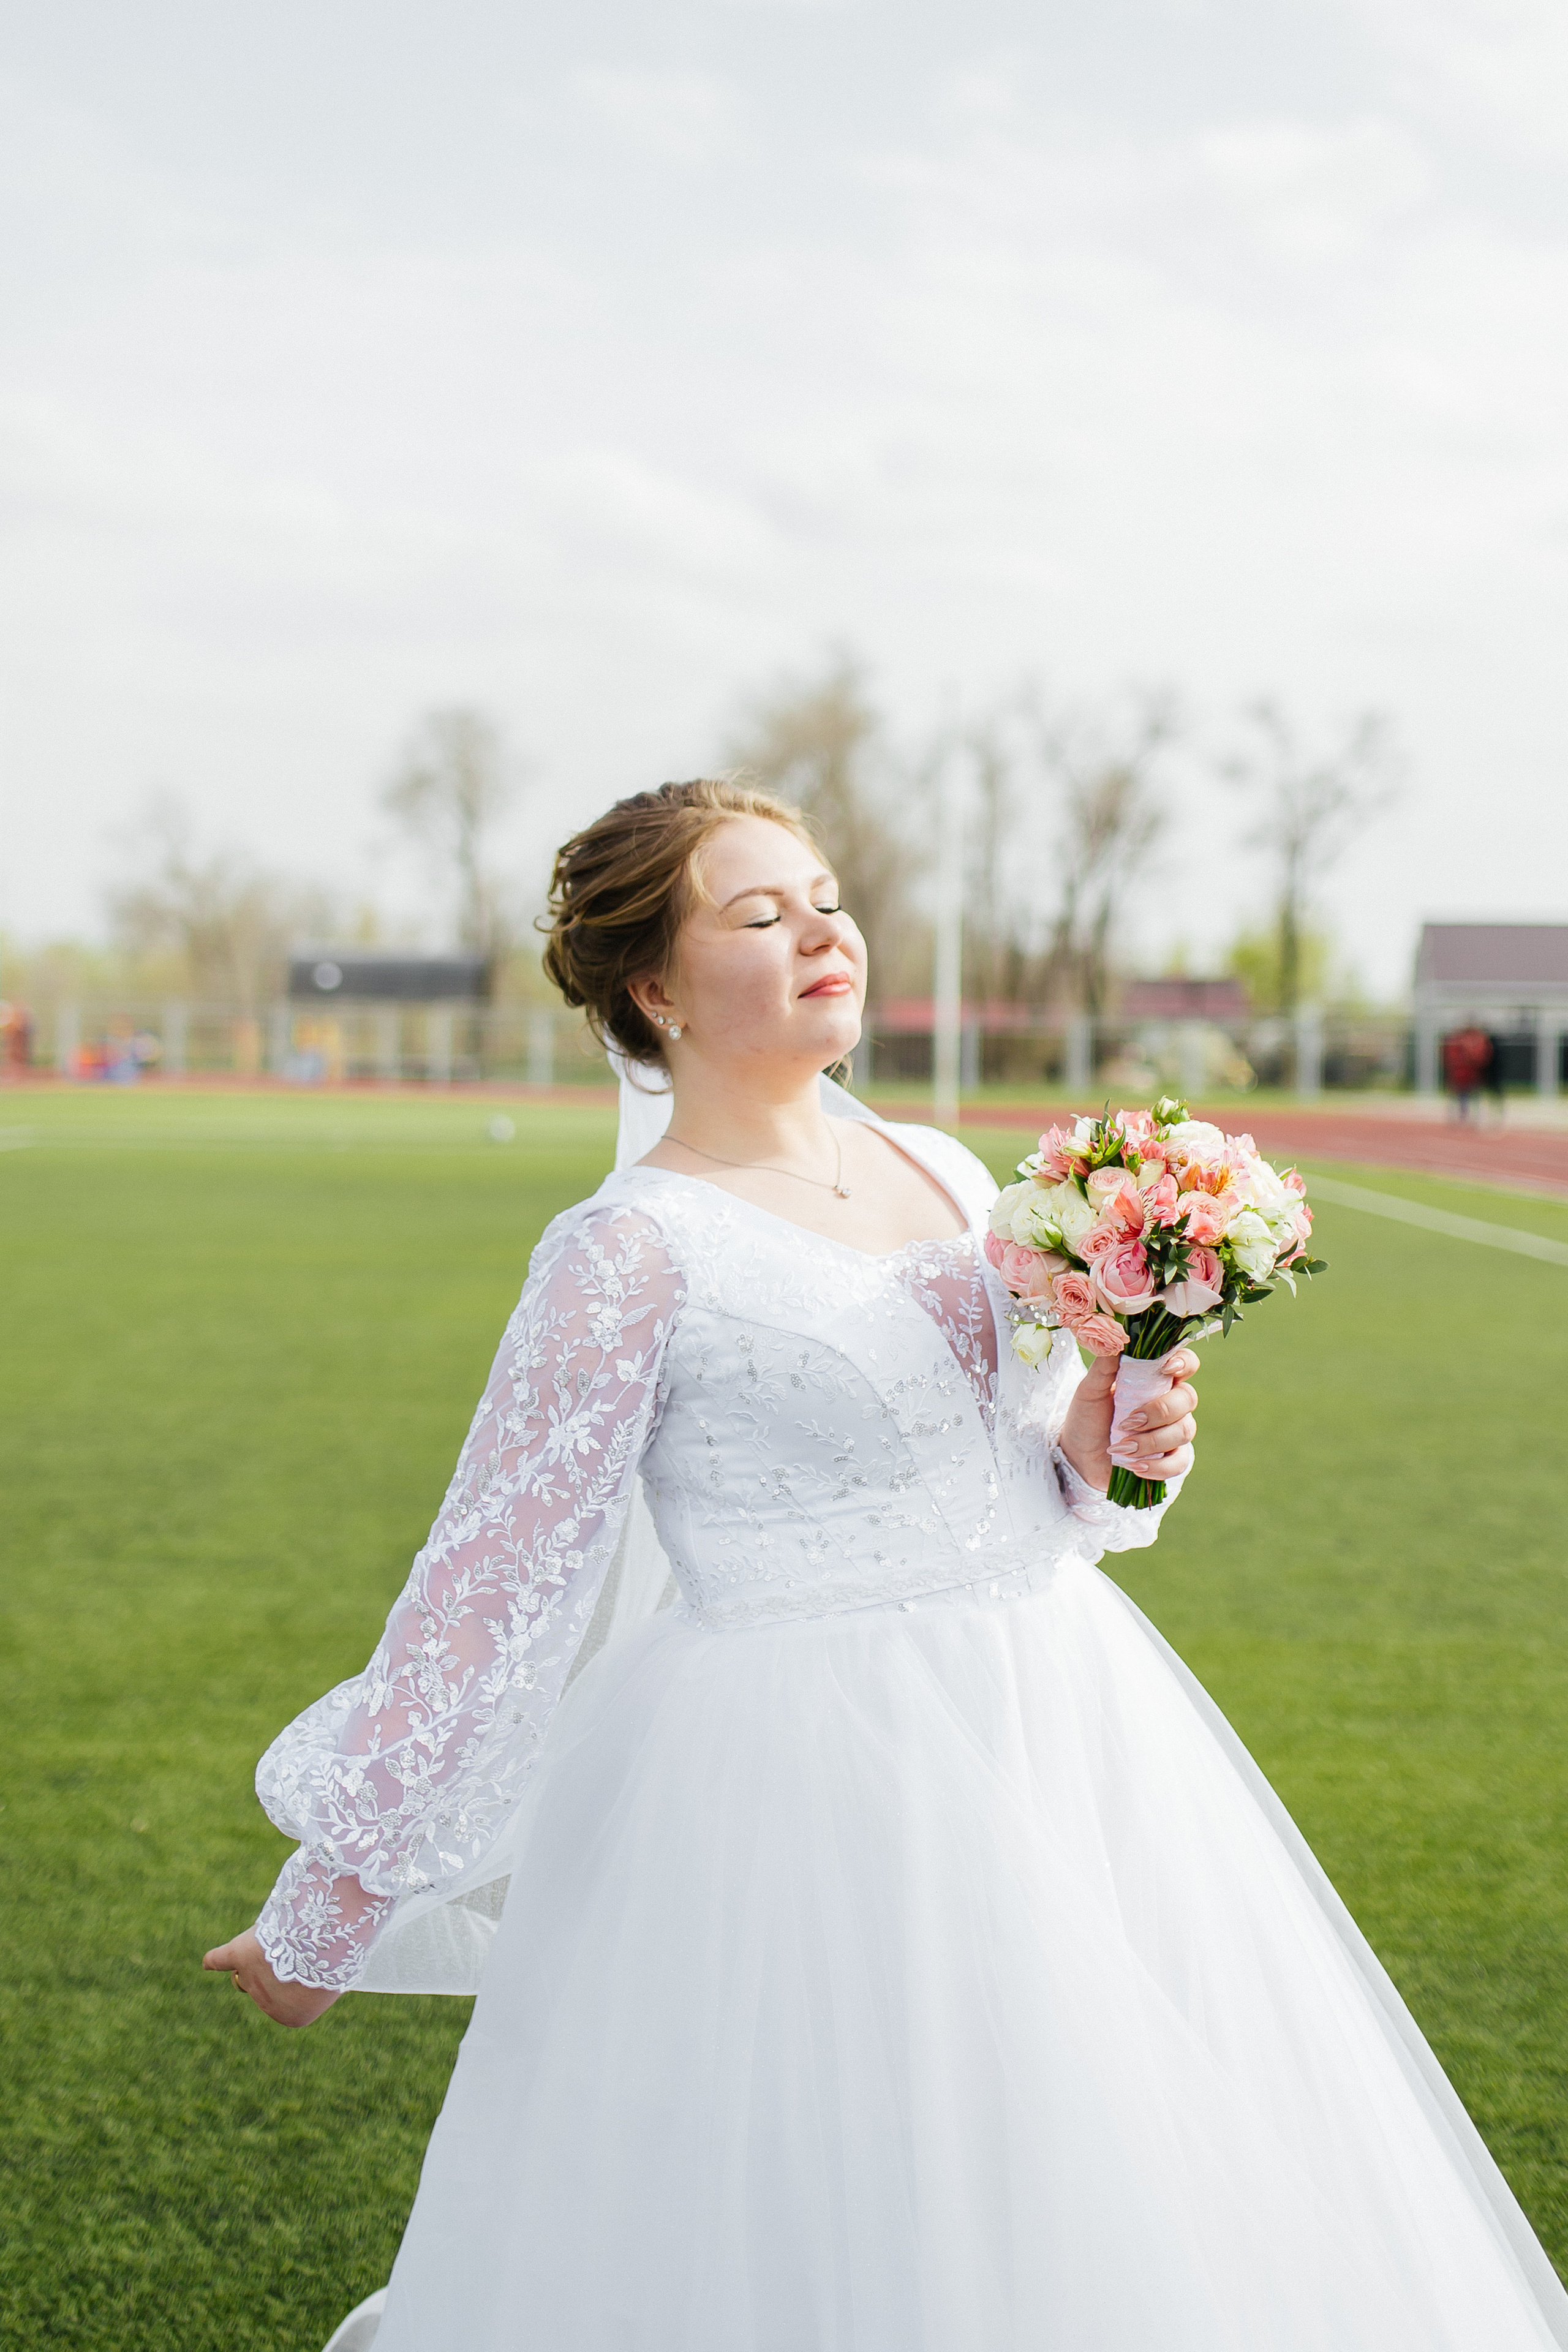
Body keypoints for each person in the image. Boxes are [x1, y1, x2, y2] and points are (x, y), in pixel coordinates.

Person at [206, 780, 1567, 2351]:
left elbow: (1027, 1483)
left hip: (1060, 1716)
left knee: (1088, 2168)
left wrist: (1104, 1436)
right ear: (652, 990)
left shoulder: (945, 1171)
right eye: (757, 913)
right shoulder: (626, 1252)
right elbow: (491, 1593)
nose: (820, 933)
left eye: (827, 899)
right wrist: (329, 1911)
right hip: (797, 1783)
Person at [1443, 1021, 1492, 1122]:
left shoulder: (1477, 1041)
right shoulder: (1456, 1042)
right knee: (1459, 1096)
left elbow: (1481, 1057)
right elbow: (1451, 1058)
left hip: (1472, 1074)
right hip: (1460, 1074)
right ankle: (1460, 1117)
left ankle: (1471, 1117)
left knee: (1473, 1096)